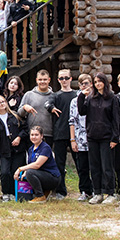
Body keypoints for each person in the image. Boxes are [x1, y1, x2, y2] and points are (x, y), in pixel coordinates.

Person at [78, 72, 120, 204]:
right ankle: (97, 192)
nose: (98, 84)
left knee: (107, 166)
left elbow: (116, 119)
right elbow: (82, 111)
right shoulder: (91, 98)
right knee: (94, 166)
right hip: (92, 136)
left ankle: (110, 192)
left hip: (107, 137)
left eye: (100, 81)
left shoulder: (112, 98)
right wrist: (82, 96)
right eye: (95, 82)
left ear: (105, 82)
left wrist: (114, 138)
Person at [48, 69, 77, 199]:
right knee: (60, 164)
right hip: (60, 133)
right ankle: (61, 191)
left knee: (80, 163)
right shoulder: (55, 96)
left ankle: (86, 190)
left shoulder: (76, 95)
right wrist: (52, 108)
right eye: (61, 78)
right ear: (58, 80)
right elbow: (47, 104)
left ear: (70, 79)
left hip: (75, 135)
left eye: (66, 78)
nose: (64, 80)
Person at [15, 126, 62, 203]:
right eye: (32, 135)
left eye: (36, 135)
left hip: (53, 177)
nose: (34, 137)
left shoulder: (45, 148)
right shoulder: (31, 149)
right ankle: (44, 192)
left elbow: (37, 165)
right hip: (41, 175)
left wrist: (20, 169)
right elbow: (31, 164)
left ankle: (40, 196)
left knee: (30, 173)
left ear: (41, 136)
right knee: (28, 173)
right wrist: (25, 173)